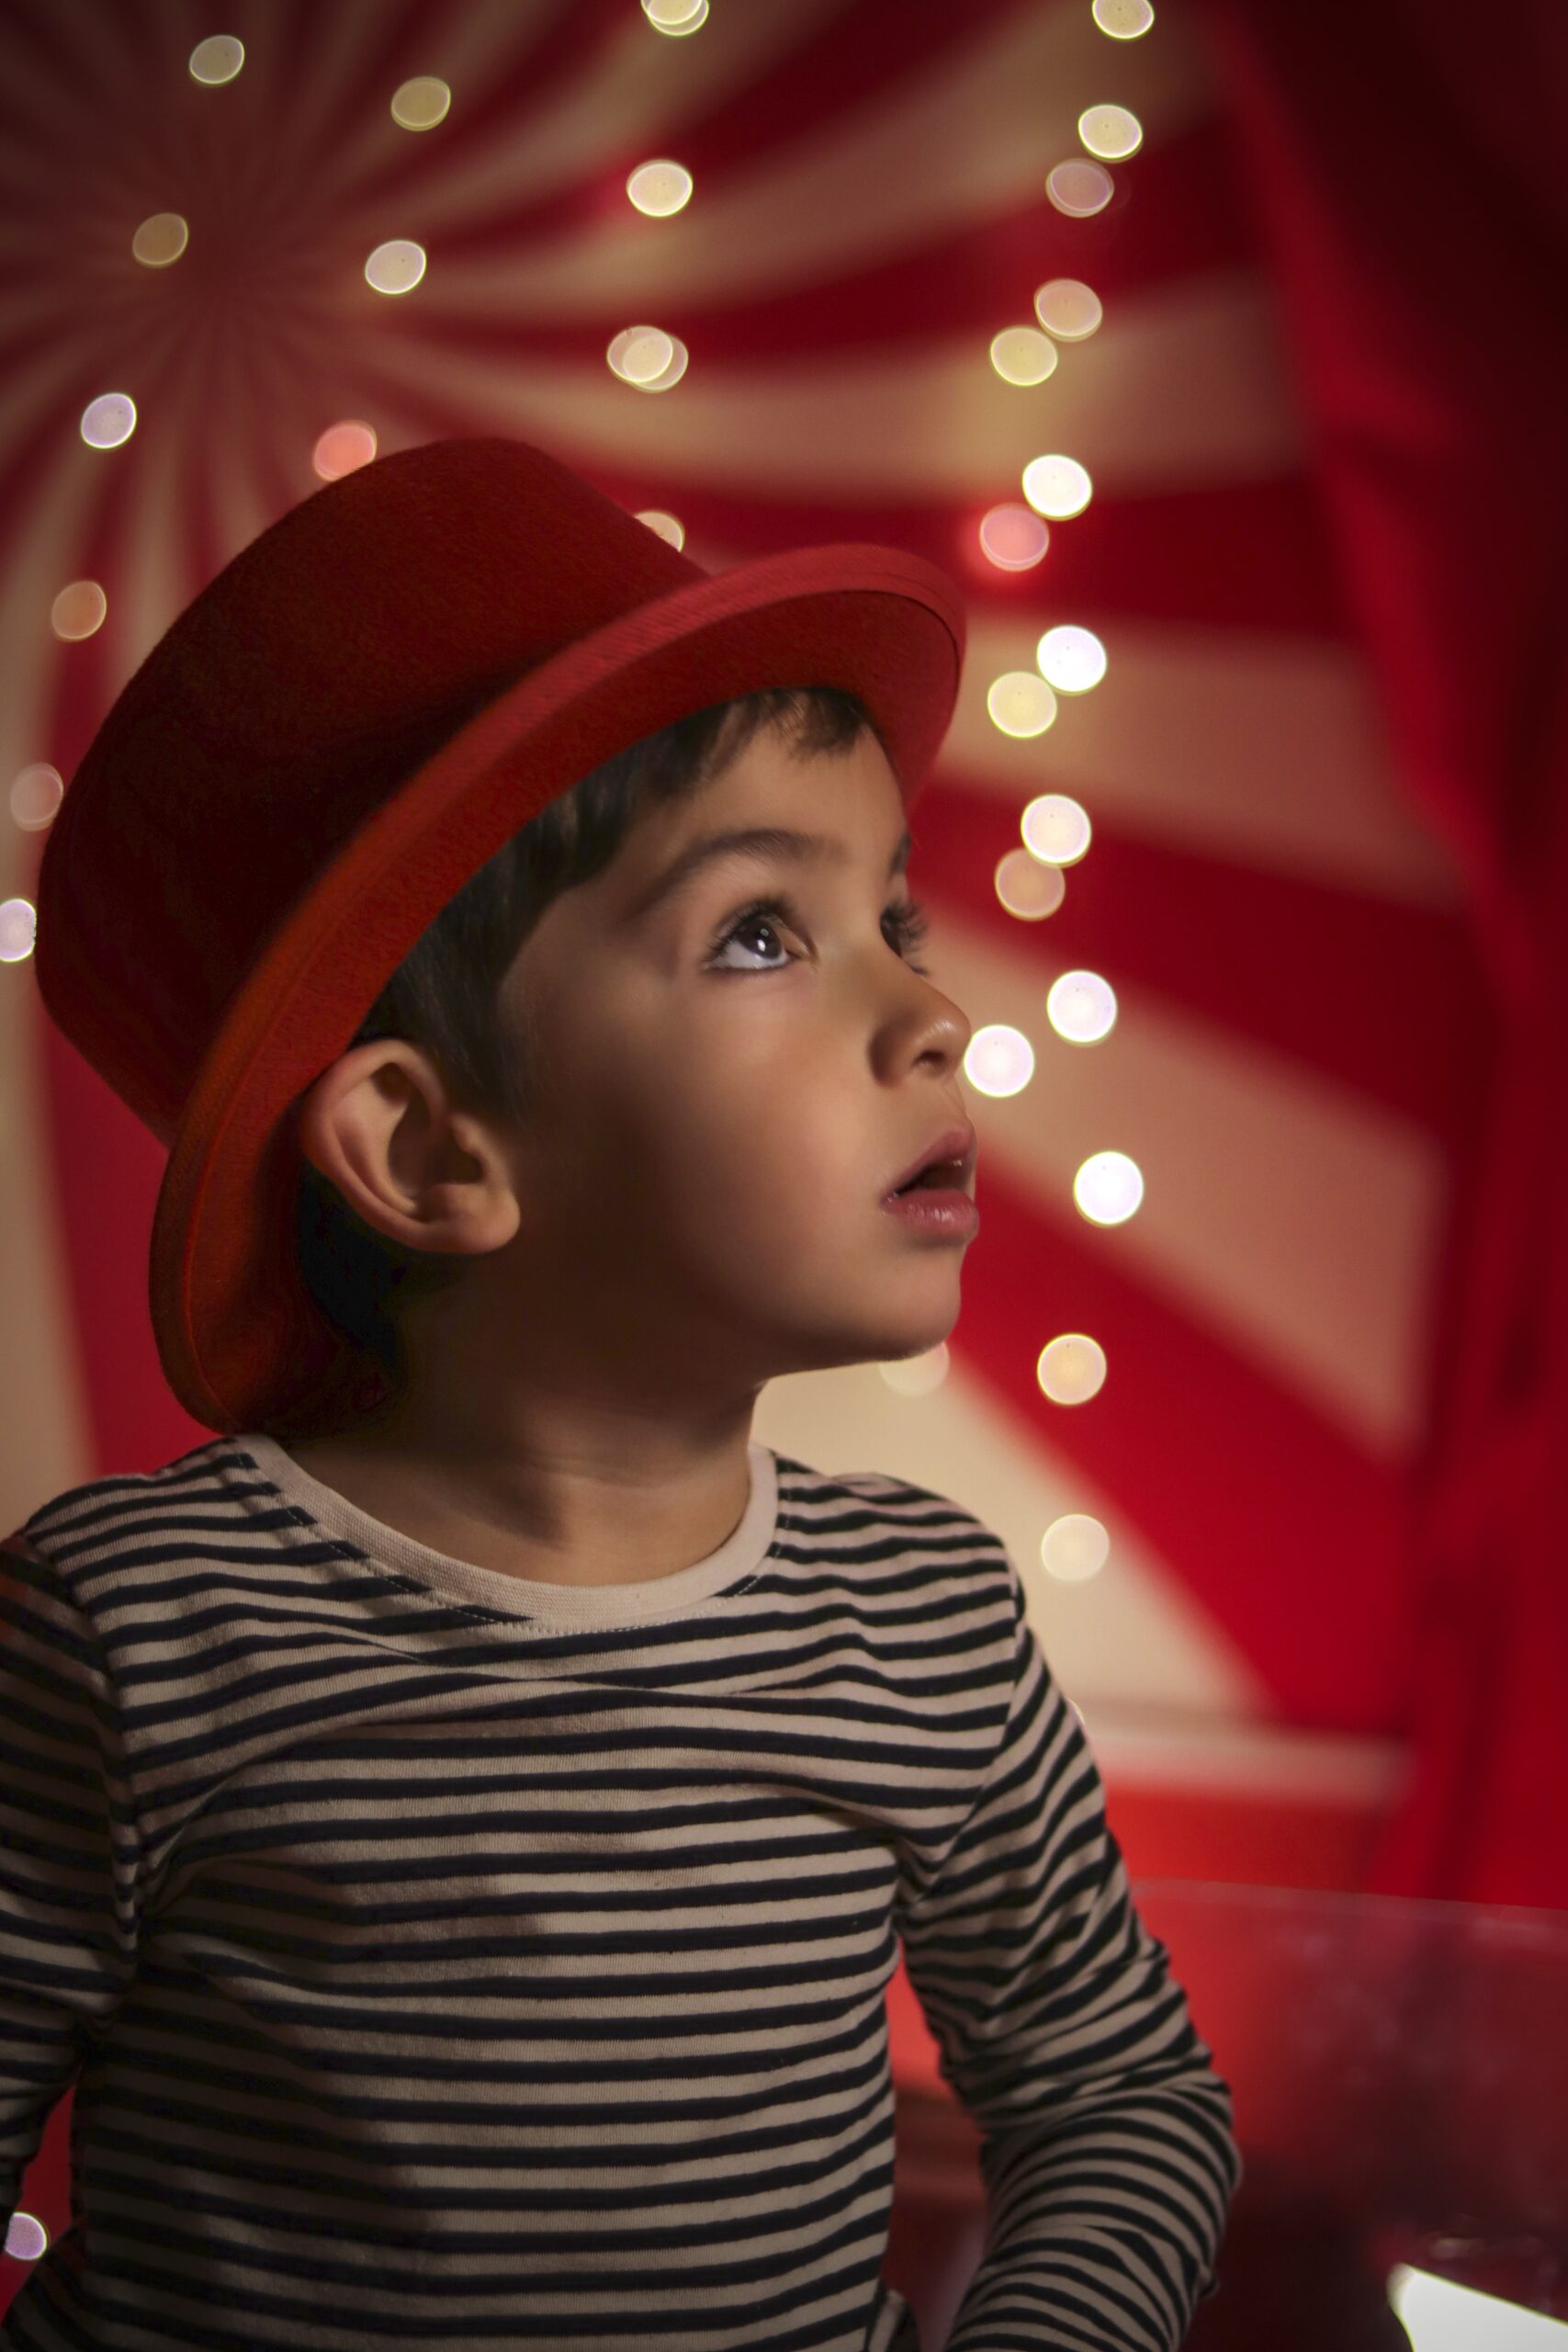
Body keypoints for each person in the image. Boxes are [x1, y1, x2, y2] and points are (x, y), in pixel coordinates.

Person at [1, 435, 1242, 2350]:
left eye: (891, 919)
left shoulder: (923, 1620)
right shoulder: (129, 1624)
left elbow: (1120, 2094)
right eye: (761, 932)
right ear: (431, 1149)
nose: (929, 1009)